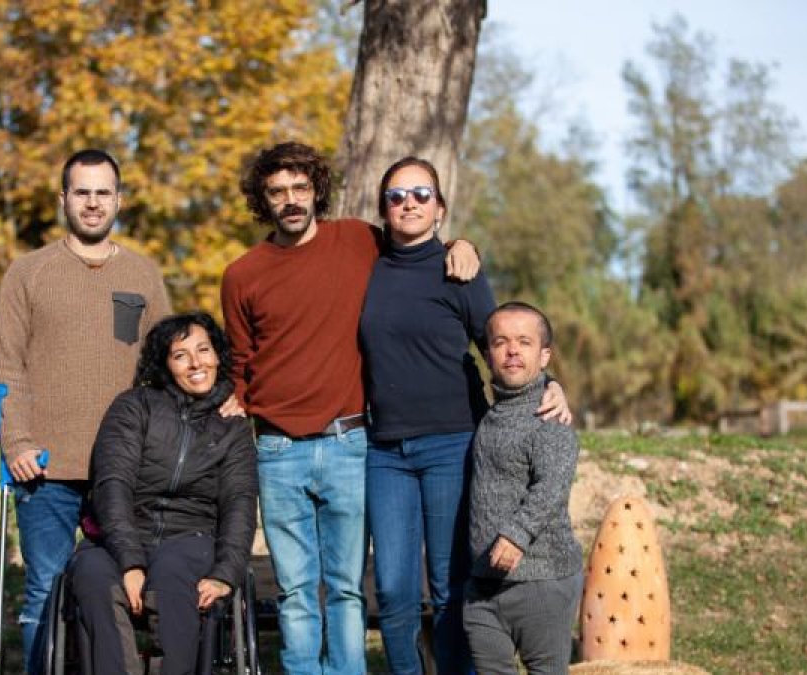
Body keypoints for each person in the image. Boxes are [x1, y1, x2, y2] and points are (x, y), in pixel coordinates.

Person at [219, 141, 481, 674]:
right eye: (277, 192)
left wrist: (465, 243)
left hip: (349, 442)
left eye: (299, 188)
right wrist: (231, 404)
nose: (290, 200)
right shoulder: (241, 274)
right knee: (295, 589)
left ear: (317, 191)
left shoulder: (359, 241)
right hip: (276, 448)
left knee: (345, 587)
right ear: (262, 200)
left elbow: (419, 243)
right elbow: (239, 361)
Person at [359, 158, 571, 675]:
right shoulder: (366, 265)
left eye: (421, 193)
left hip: (452, 443)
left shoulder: (461, 270)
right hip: (384, 450)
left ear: (440, 207)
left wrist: (555, 385)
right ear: (384, 208)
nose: (408, 202)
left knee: (450, 585)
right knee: (392, 588)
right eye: (396, 195)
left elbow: (504, 349)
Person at [0, 149, 171, 674]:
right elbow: (5, 369)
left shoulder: (144, 273)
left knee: (125, 590)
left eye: (103, 193)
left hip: (127, 470)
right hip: (45, 469)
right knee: (45, 587)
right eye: (82, 192)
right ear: (63, 198)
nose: (93, 203)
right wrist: (17, 442)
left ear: (119, 200)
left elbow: (166, 368)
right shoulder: (28, 273)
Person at [66, 312, 258, 675]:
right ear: (165, 365)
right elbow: (113, 484)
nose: (196, 362)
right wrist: (131, 561)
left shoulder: (233, 428)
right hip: (120, 534)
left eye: (204, 350)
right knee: (91, 575)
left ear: (219, 355)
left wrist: (225, 573)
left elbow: (240, 505)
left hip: (191, 535)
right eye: (180, 355)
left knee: (173, 573)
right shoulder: (134, 406)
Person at [464, 302, 584, 675]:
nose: (512, 350)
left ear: (544, 354)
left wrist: (517, 535)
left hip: (542, 579)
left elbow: (553, 485)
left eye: (524, 342)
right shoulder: (489, 413)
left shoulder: (549, 416)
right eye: (500, 342)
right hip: (483, 586)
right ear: (487, 354)